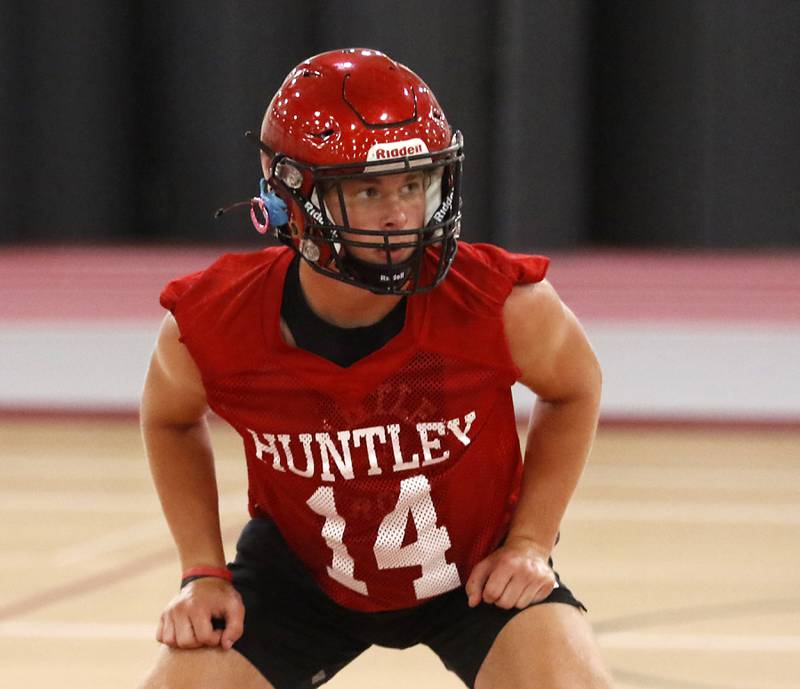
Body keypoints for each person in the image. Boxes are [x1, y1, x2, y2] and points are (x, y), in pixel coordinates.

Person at [137, 48, 614, 689]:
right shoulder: (214, 322)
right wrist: (202, 571)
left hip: (473, 570)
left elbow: (576, 387)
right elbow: (169, 419)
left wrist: (530, 541)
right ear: (291, 197)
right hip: (302, 574)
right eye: (367, 190)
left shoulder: (498, 302)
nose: (399, 215)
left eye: (413, 185)